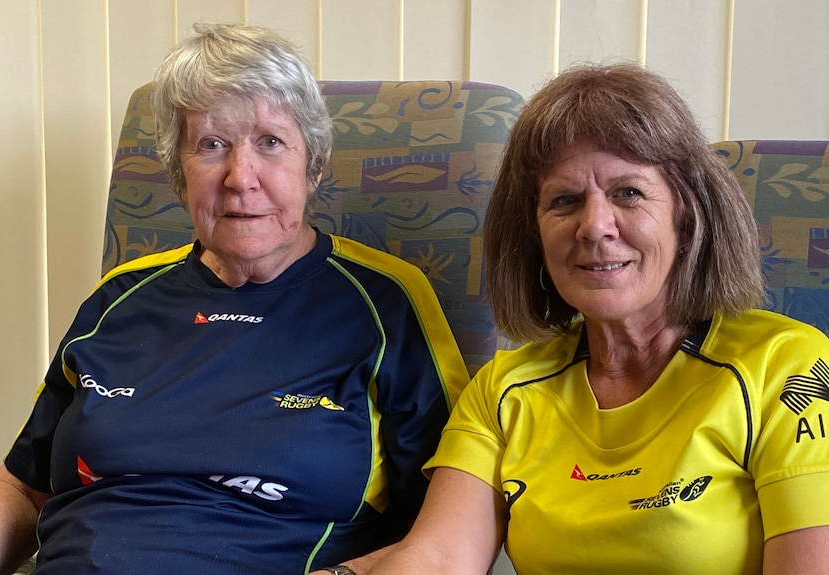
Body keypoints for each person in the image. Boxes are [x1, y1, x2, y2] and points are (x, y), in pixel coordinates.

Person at [0, 23, 469, 575]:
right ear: (179, 174)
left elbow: (450, 527)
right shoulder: (119, 297)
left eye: (270, 143)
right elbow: (20, 484)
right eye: (211, 145)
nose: (240, 177)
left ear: (315, 165)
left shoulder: (384, 301)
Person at [355, 63, 829, 574]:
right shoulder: (504, 389)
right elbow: (438, 558)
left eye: (628, 192)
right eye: (565, 200)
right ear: (534, 234)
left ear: (687, 218)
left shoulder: (786, 366)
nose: (594, 226)